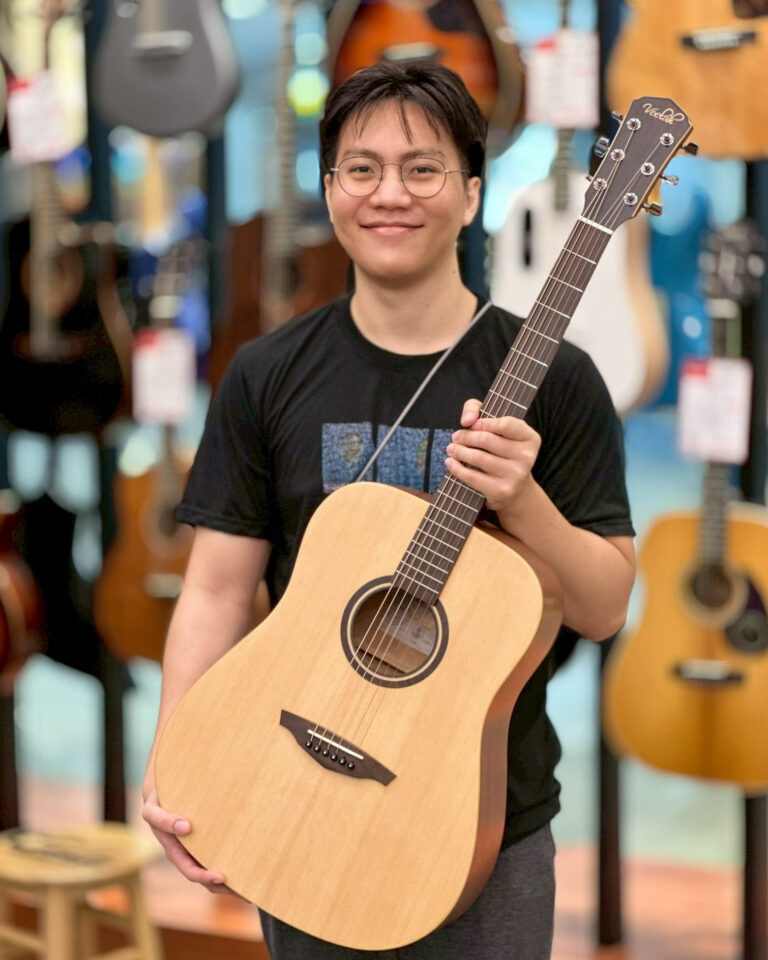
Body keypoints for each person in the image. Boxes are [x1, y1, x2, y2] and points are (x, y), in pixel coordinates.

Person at [141, 60, 636, 960]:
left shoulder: (559, 381)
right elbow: (215, 591)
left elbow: (603, 609)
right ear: (331, 190)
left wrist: (525, 503)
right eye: (361, 169)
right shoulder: (265, 373)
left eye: (422, 168)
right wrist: (175, 758)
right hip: (292, 782)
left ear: (472, 193)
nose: (389, 194)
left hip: (479, 819)